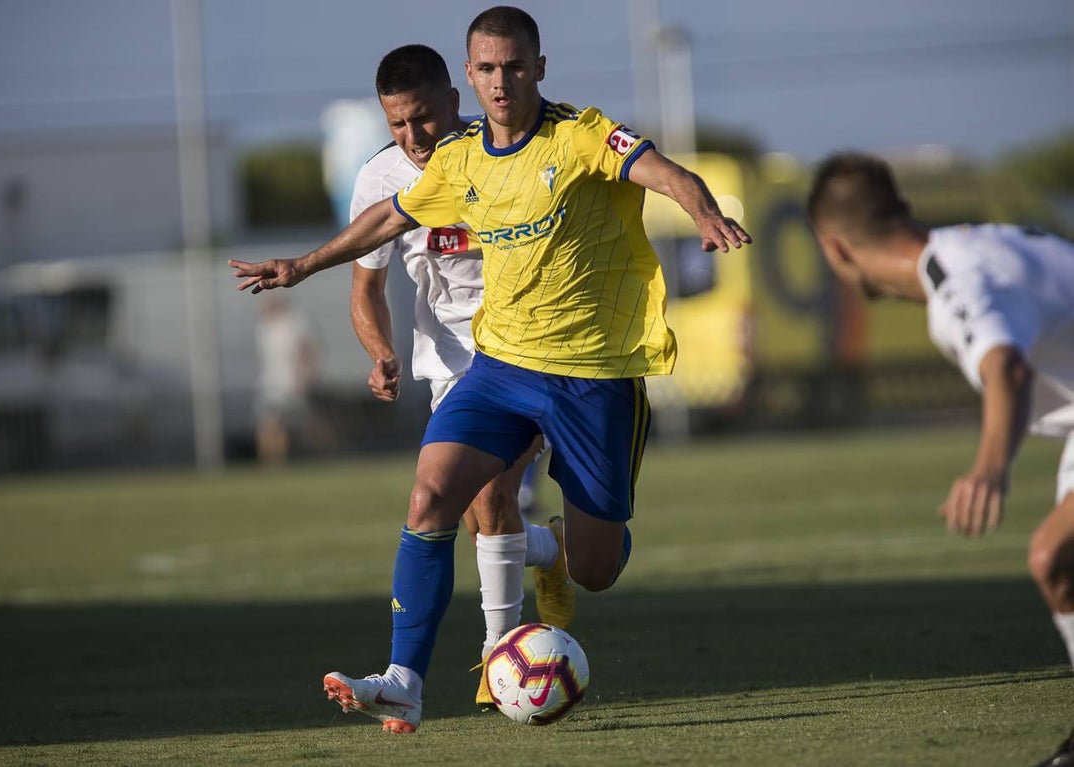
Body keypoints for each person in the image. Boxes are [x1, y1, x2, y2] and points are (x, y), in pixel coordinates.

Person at [229, 5, 750, 733]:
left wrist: (702, 212)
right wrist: (303, 264)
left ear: (538, 67)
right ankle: (406, 680)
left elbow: (663, 169)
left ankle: (562, 547)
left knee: (596, 569)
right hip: (499, 365)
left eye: (513, 66)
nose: (500, 81)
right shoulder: (457, 159)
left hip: (593, 373)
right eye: (487, 68)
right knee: (432, 496)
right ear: (468, 76)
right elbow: (388, 218)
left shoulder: (580, 134)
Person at [806, 152, 1074, 767]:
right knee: (1061, 566)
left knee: (1053, 554)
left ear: (834, 250)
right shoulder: (971, 245)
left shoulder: (954, 282)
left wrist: (989, 467)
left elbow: (1005, 364)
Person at [347, 43, 574, 712]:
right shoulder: (380, 178)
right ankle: (547, 552)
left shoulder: (505, 151)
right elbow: (365, 290)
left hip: (530, 352)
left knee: (490, 499)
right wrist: (380, 350)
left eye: (422, 118)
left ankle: (499, 654)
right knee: (480, 511)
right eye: (397, 123)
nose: (412, 136)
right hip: (450, 366)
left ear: (452, 102)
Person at [253, 295, 320, 465]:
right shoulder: (264, 326)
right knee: (270, 422)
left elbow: (306, 349)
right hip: (270, 382)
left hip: (291, 380)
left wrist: (305, 375)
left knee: (304, 422)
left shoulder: (294, 321)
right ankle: (272, 462)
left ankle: (323, 452)